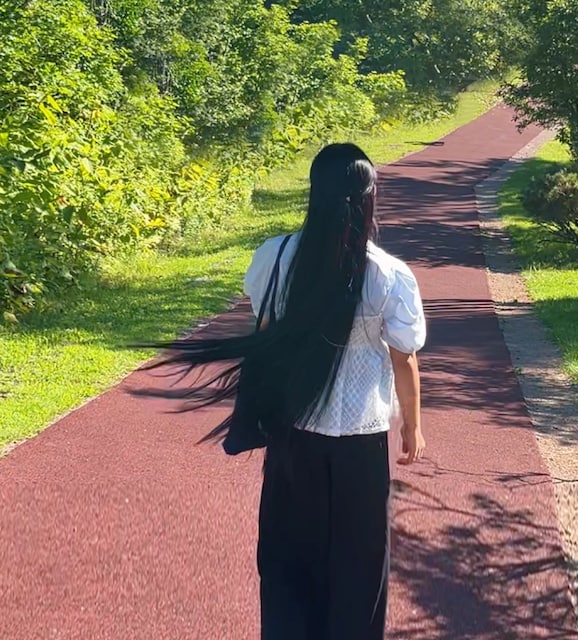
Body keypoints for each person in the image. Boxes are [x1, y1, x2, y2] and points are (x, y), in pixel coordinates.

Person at [148, 143, 426, 639]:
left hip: (293, 433)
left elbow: (268, 326)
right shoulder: (389, 274)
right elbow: (404, 357)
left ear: (314, 193)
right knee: (360, 564)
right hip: (361, 441)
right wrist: (413, 426)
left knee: (287, 557)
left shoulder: (275, 256)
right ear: (369, 198)